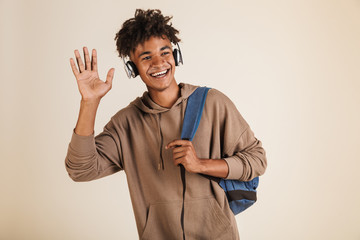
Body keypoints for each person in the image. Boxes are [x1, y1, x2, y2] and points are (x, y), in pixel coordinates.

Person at [66, 9, 267, 240]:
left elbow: (257, 159)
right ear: (132, 68)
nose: (159, 62)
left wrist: (202, 164)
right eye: (146, 57)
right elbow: (80, 170)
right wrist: (89, 103)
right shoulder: (126, 124)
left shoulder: (213, 103)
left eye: (165, 52)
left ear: (175, 54)